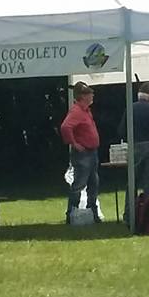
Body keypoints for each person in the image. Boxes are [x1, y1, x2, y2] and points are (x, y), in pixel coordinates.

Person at [117, 82, 149, 221]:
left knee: (132, 182)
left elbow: (121, 130)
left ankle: (129, 214)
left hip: (135, 147)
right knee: (148, 183)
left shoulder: (130, 108)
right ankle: (145, 214)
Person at [60, 81, 101, 223]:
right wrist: (74, 143)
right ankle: (72, 213)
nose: (92, 95)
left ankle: (92, 213)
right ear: (83, 96)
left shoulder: (86, 111)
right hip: (83, 154)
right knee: (79, 184)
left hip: (92, 152)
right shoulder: (76, 111)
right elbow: (65, 127)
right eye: (90, 93)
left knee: (93, 183)